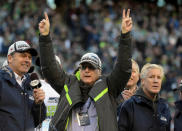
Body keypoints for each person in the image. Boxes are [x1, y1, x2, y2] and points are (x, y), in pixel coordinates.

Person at [38, 9, 132, 131]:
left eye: (91, 67)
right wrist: (45, 37)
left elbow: (123, 69)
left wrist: (125, 36)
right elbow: (49, 68)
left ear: (99, 72)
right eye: (84, 67)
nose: (87, 70)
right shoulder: (68, 83)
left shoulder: (109, 86)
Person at [0, 41, 46, 131]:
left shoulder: (31, 83)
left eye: (29, 57)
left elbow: (38, 120)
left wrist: (38, 104)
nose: (27, 60)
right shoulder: (1, 80)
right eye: (23, 55)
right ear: (10, 58)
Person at [118, 63, 171, 131]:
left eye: (159, 77)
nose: (156, 81)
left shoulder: (164, 107)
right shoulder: (130, 105)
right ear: (143, 81)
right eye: (151, 77)